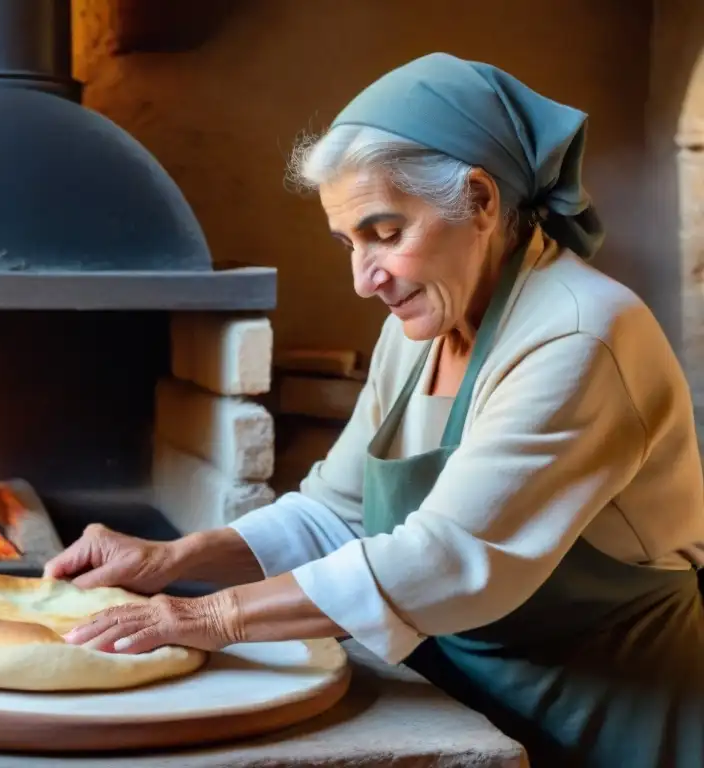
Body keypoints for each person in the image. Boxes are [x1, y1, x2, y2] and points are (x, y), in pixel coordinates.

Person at [44, 52, 704, 766]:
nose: (364, 279)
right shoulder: (419, 327)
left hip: (608, 718)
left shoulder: (579, 334)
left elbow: (447, 561)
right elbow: (339, 509)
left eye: (387, 234)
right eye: (349, 242)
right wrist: (176, 559)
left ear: (481, 201)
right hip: (468, 702)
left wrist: (207, 616)